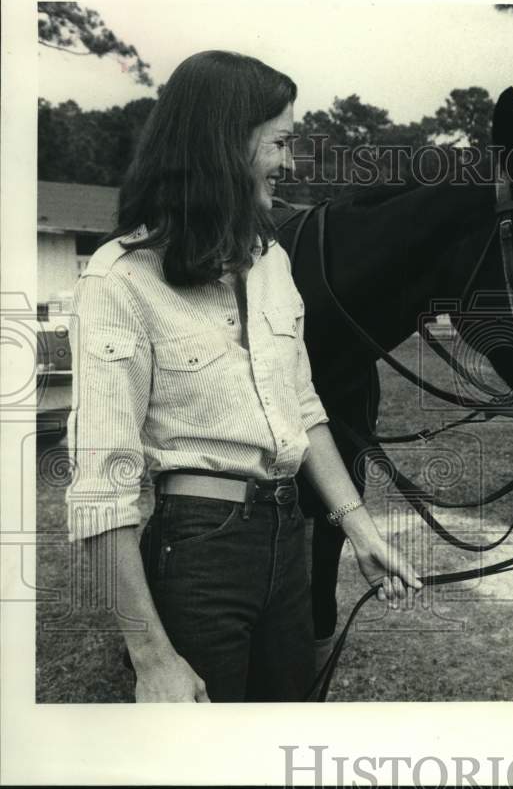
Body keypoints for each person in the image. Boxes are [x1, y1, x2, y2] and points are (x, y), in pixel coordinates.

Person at [65, 50, 422, 703]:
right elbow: (104, 486)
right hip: (198, 553)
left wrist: (360, 528)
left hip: (289, 540)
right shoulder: (119, 279)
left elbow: (304, 409)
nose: (288, 162)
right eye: (280, 142)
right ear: (224, 144)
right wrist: (151, 657)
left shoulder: (272, 265)